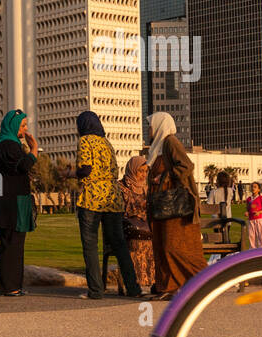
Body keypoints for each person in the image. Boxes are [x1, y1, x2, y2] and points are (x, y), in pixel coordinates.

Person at [72, 110, 142, 300]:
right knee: (119, 245)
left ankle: (96, 290)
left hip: (92, 198)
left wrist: (71, 173)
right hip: (112, 198)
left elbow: (85, 170)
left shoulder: (85, 141)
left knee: (90, 245)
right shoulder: (106, 143)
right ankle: (133, 288)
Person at [145, 112, 204, 299]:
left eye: (151, 126)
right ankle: (168, 286)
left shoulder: (170, 142)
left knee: (176, 246)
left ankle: (204, 281)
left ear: (160, 125)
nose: (149, 130)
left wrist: (166, 176)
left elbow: (186, 165)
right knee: (162, 246)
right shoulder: (158, 147)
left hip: (176, 209)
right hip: (163, 208)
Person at [0, 109, 37, 297]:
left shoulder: (0, 145)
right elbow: (23, 166)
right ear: (13, 126)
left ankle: (7, 286)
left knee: (9, 244)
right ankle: (10, 287)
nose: (25, 130)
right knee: (13, 244)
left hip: (1, 201)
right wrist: (33, 150)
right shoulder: (9, 145)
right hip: (10, 203)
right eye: (22, 126)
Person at [118, 155, 156, 296]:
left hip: (146, 229)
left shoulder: (147, 188)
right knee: (137, 243)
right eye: (140, 171)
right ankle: (134, 285)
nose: (143, 175)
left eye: (145, 172)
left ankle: (155, 283)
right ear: (133, 170)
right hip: (129, 229)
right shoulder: (122, 187)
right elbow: (121, 212)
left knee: (157, 242)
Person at [245, 182, 262, 248]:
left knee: (261, 236)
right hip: (251, 220)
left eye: (255, 187)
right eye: (252, 187)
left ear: (259, 189)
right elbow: (248, 209)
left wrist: (259, 212)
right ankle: (252, 251)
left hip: (259, 220)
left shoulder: (261, 198)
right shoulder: (248, 199)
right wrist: (247, 213)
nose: (253, 188)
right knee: (251, 236)